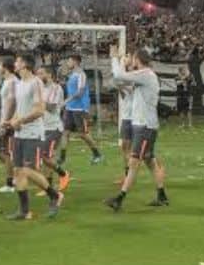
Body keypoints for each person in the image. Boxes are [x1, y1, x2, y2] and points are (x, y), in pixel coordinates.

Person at [104, 47, 168, 211]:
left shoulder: (146, 74)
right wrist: (121, 65)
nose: (131, 60)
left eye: (132, 58)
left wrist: (115, 59)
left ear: (138, 59)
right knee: (150, 162)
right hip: (144, 124)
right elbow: (120, 81)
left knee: (134, 162)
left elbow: (119, 76)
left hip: (145, 126)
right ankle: (162, 196)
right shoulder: (145, 76)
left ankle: (120, 198)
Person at [5, 55, 64, 220]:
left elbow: (39, 110)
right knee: (18, 171)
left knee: (27, 170)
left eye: (17, 61)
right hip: (20, 133)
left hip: (33, 133)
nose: (14, 64)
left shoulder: (36, 82)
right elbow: (20, 108)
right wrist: (11, 121)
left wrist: (21, 121)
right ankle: (24, 211)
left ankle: (54, 195)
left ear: (24, 64)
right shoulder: (19, 84)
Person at [59, 55, 103, 165]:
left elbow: (80, 92)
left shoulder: (81, 75)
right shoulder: (72, 75)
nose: (67, 63)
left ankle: (97, 154)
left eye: (69, 61)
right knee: (65, 132)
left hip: (80, 108)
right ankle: (62, 158)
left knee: (83, 134)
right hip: (70, 108)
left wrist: (66, 100)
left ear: (75, 62)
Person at [37, 65, 72, 194]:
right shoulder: (40, 89)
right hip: (42, 128)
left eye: (41, 74)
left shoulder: (56, 88)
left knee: (44, 156)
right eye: (37, 74)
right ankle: (48, 187)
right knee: (46, 157)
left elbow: (51, 107)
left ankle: (63, 173)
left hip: (53, 128)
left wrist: (38, 101)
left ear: (49, 75)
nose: (38, 76)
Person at [0, 58, 18, 194]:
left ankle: (11, 182)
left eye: (0, 64)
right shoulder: (7, 81)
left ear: (5, 67)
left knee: (6, 152)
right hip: (3, 120)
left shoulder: (13, 81)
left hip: (7, 122)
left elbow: (12, 102)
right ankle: (15, 173)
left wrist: (5, 122)